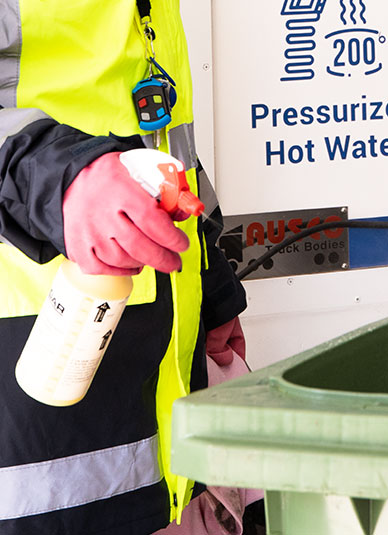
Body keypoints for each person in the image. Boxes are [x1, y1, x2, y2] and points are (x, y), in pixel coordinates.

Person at [0, 1, 248, 533]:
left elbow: (157, 131)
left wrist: (208, 280)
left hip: (153, 365)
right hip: (32, 373)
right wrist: (56, 175)